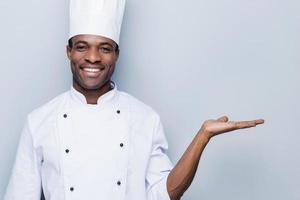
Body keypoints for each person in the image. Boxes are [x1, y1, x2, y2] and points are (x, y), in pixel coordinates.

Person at [4, 0, 264, 199]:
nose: (93, 57)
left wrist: (202, 137)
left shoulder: (144, 119)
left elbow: (163, 194)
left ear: (116, 54)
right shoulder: (38, 122)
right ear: (68, 51)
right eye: (82, 46)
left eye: (104, 48)